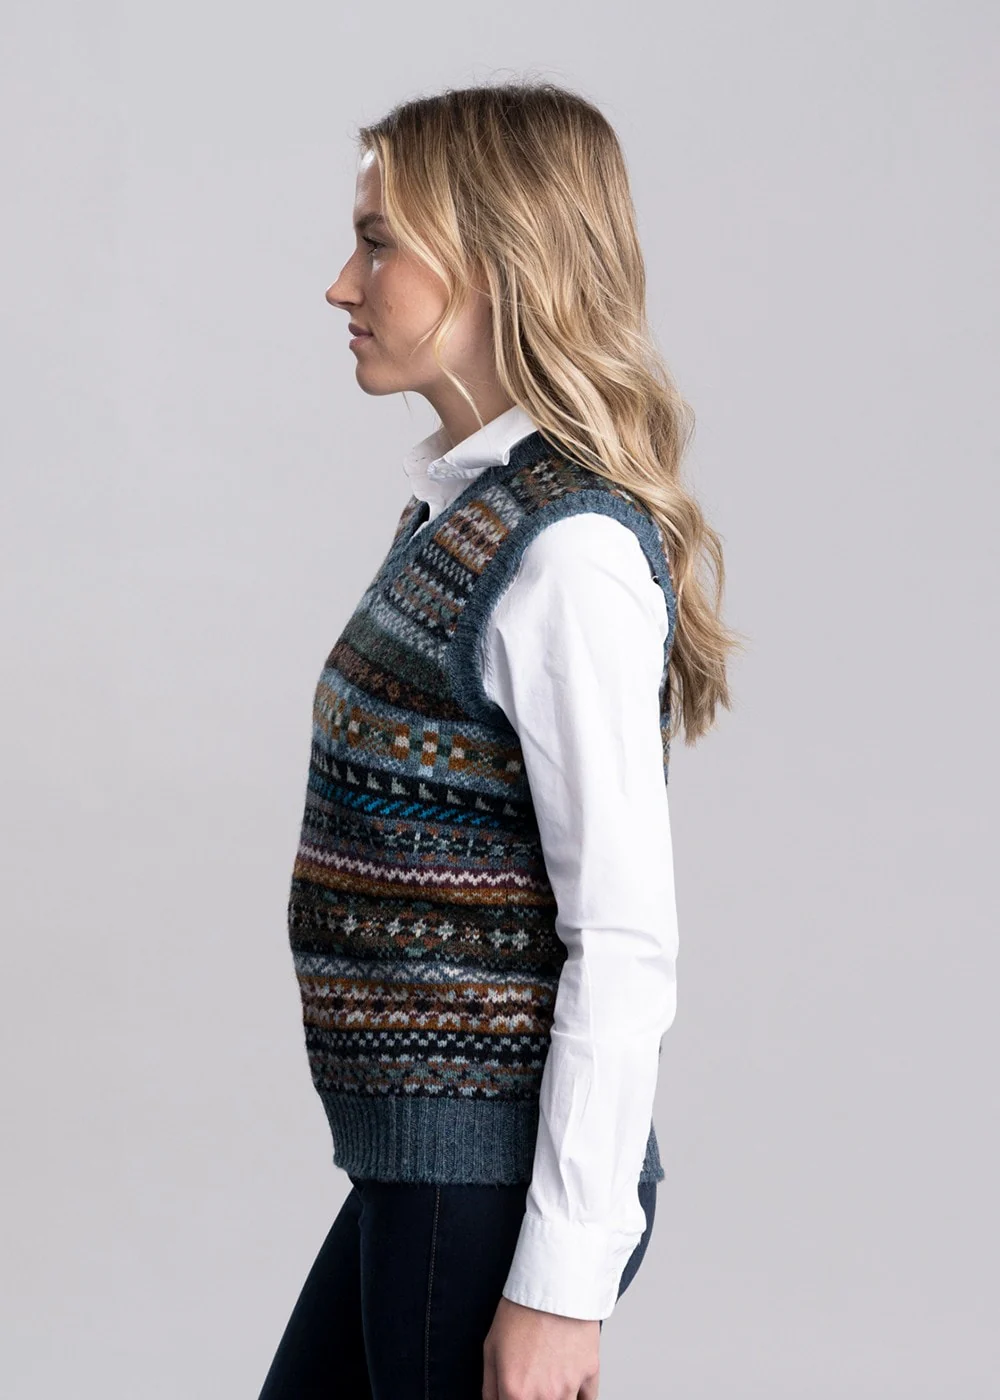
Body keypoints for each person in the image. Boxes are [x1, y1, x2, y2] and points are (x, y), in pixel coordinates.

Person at [259, 80, 738, 1400]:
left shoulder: (564, 552)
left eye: (377, 244)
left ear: (497, 263)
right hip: (424, 1169)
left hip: (484, 1191)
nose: (341, 284)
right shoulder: (466, 515)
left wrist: (563, 1287)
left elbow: (621, 938)